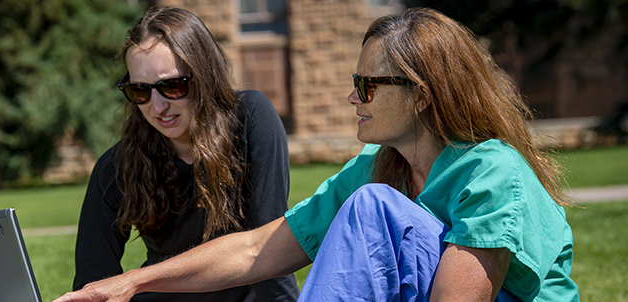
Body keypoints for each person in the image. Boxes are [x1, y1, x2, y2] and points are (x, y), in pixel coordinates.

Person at [56, 7, 580, 302]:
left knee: (374, 208)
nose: (353, 97)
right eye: (139, 91)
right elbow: (256, 250)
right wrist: (128, 283)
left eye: (367, 85)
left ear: (421, 94)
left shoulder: (490, 171)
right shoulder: (380, 168)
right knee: (372, 203)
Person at [70, 5, 298, 302]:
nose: (157, 106)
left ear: (204, 76)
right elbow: (92, 282)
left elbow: (269, 252)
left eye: (172, 86)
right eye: (140, 90)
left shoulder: (250, 120)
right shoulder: (117, 166)